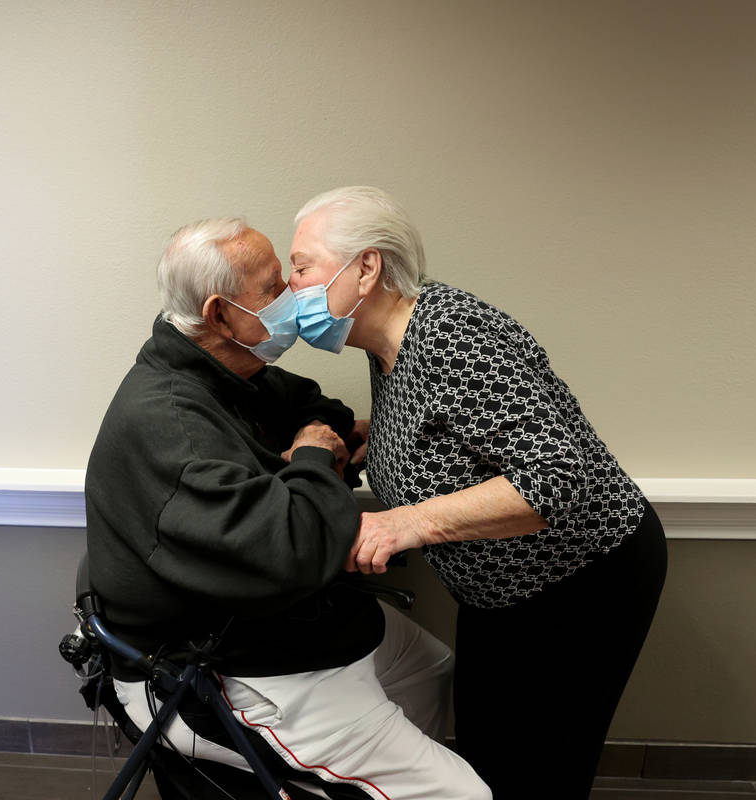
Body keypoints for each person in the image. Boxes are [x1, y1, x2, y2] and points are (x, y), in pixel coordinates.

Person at [85, 217, 490, 800]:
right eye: (274, 287)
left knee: (430, 666)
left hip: (278, 618)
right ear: (221, 313)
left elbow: (318, 408)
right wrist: (310, 458)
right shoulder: (173, 427)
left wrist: (310, 450)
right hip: (222, 661)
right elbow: (292, 547)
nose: (295, 296)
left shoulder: (225, 372)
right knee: (468, 797)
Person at [287, 186, 667, 800]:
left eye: (302, 266)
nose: (292, 286)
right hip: (500, 589)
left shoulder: (454, 334)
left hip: (582, 579)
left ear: (366, 267)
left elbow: (554, 477)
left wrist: (405, 524)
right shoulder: (387, 346)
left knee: (539, 768)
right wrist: (363, 440)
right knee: (489, 756)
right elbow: (449, 436)